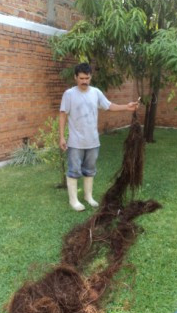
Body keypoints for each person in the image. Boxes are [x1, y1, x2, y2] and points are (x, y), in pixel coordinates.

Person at [59, 63, 139, 211]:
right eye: (81, 78)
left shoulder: (96, 92)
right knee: (74, 170)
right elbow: (63, 115)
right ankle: (73, 200)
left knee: (90, 170)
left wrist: (126, 107)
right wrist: (62, 137)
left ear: (91, 77)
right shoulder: (69, 94)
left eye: (87, 78)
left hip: (93, 141)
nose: (84, 81)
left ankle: (88, 197)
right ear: (75, 77)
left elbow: (109, 105)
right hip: (76, 142)